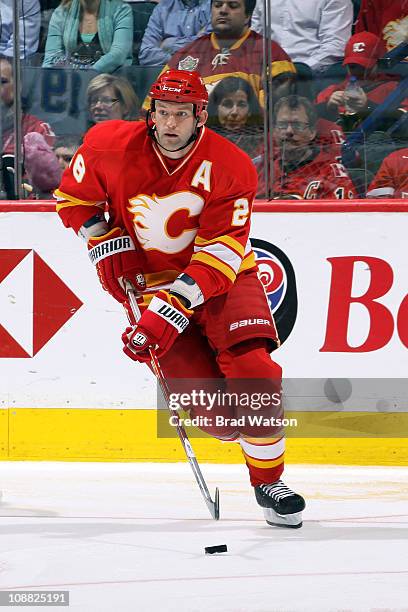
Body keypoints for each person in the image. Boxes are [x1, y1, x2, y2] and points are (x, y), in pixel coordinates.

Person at [55, 69, 306, 528]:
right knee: (218, 419)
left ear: (200, 116)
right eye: (163, 113)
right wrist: (107, 242)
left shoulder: (232, 165)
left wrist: (165, 314)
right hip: (151, 285)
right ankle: (242, 433)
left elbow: (222, 251)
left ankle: (269, 482)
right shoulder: (107, 144)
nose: (171, 124)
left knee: (255, 370)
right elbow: (74, 201)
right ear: (151, 114)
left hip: (225, 279)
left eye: (182, 114)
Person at [143, 0, 296, 109]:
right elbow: (154, 105)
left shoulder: (270, 52)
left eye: (232, 5)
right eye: (217, 5)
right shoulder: (187, 54)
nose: (223, 10)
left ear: (247, 16)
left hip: (249, 141)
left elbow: (276, 114)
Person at [265, 94, 356, 199]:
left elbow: (345, 214)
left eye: (297, 125)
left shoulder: (331, 174)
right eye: (282, 125)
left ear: (312, 132)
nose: (289, 131)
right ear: (274, 130)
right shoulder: (262, 168)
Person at [316, 32, 408, 134]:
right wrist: (328, 107)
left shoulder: (396, 90)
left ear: (379, 64)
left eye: (364, 67)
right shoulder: (333, 91)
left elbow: (402, 126)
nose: (358, 72)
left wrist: (367, 107)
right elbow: (305, 122)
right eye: (353, 66)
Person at [250, 0, 353, 75]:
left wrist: (300, 69)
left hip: (310, 74)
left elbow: (335, 47)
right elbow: (254, 35)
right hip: (267, 71)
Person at [42, 0, 133, 72]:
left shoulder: (122, 10)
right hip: (72, 83)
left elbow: (118, 54)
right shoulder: (61, 12)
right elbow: (51, 58)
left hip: (111, 81)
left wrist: (86, 75)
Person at [207, 75, 264, 160]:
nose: (234, 112)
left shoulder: (263, 143)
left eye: (241, 105)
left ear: (250, 110)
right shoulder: (202, 140)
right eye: (227, 104)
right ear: (216, 109)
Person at [138, 0, 211, 66]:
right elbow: (146, 55)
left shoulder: (215, 5)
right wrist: (179, 60)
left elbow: (212, 47)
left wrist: (169, 44)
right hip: (168, 75)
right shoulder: (161, 9)